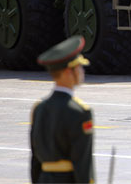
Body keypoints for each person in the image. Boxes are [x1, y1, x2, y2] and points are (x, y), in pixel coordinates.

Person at [30, 36, 95, 184]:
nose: (81, 71)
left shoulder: (39, 108)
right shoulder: (80, 112)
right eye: (78, 67)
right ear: (67, 72)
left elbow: (35, 162)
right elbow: (83, 164)